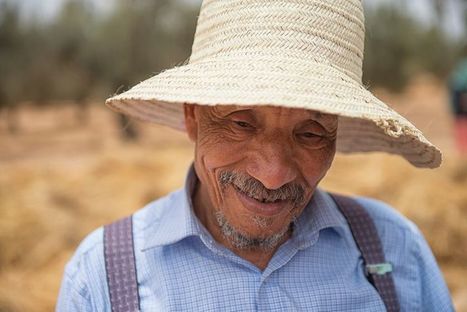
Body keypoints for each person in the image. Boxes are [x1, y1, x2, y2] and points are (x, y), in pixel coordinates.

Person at [57, 0, 454, 311]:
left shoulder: (392, 248)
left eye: (310, 133)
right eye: (241, 124)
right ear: (192, 117)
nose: (273, 174)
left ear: (335, 135)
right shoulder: (103, 277)